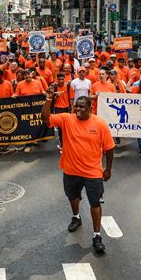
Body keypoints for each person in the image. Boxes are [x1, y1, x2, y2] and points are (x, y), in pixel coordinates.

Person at [41, 90, 114, 254]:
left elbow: (109, 148)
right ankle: (76, 217)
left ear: (91, 107)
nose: (78, 110)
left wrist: (108, 169)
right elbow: (46, 118)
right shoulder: (67, 119)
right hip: (71, 170)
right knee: (73, 197)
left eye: (82, 107)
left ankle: (97, 236)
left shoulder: (100, 124)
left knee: (95, 202)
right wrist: (48, 99)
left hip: (93, 172)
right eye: (76, 107)